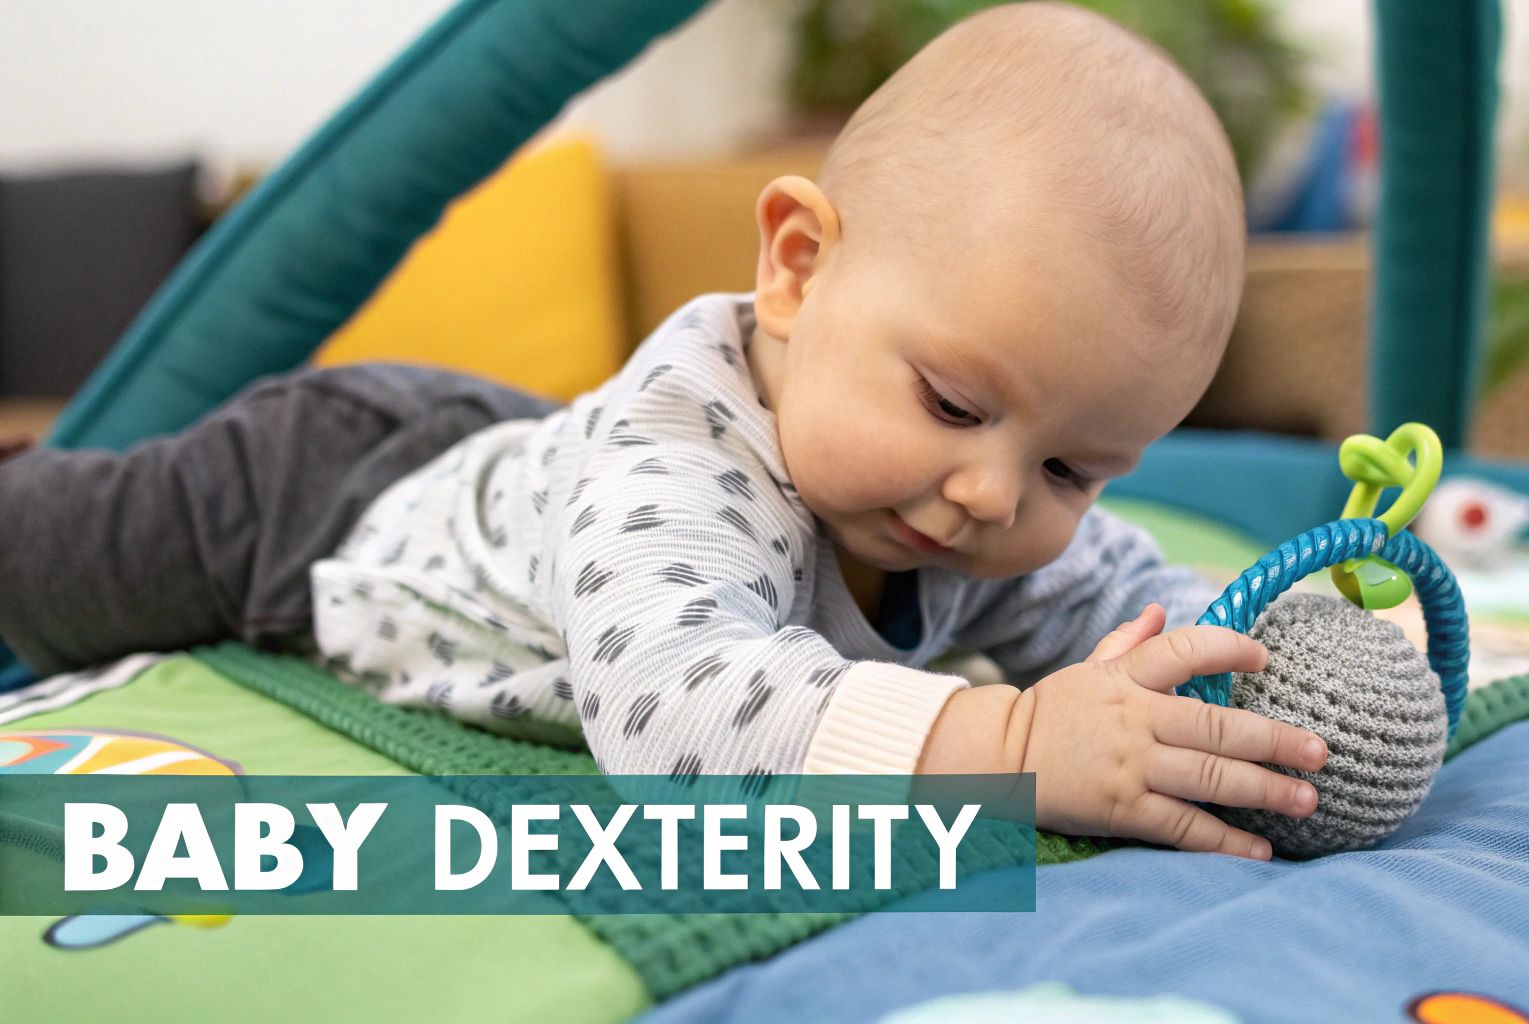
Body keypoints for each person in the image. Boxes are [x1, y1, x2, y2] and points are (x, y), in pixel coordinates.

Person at [0, 2, 1326, 860]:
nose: (990, 492)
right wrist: (1012, 749)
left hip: (530, 476)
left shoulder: (961, 501)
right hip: (322, 495)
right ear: (800, 270)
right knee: (54, 562)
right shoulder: (681, 470)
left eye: (1070, 468)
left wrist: (1283, 672)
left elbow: (1131, 608)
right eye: (955, 405)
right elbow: (681, 722)